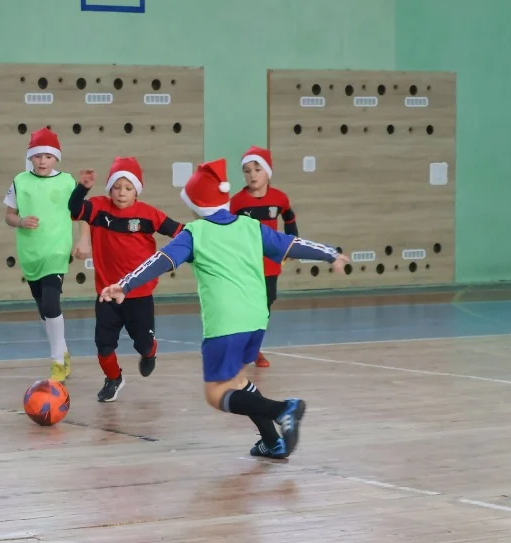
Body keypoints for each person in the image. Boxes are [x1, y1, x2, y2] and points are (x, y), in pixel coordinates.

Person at [100, 159, 349, 458]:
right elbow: (292, 244)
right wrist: (330, 254)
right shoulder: (250, 226)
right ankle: (272, 442)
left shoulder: (195, 233)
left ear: (195, 205)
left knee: (216, 393)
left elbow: (160, 261)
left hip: (225, 323)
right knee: (237, 381)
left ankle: (284, 409)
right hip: (256, 319)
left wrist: (124, 285)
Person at [69, 156, 183, 402]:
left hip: (139, 294)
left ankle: (149, 352)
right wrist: (82, 188)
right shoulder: (98, 208)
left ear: (137, 191)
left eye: (128, 188)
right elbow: (75, 209)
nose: (122, 192)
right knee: (104, 345)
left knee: (143, 343)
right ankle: (113, 379)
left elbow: (180, 232)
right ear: (109, 188)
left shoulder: (149, 214)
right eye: (117, 187)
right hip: (107, 293)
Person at [4, 127, 95, 382]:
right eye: (37, 156)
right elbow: (9, 216)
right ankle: (63, 351)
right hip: (30, 253)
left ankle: (56, 361)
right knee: (43, 308)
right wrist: (20, 221)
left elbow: (82, 214)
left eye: (48, 156)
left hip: (56, 251)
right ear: (30, 157)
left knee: (51, 304)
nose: (42, 161)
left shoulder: (67, 182)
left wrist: (83, 240)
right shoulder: (20, 181)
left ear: (56, 158)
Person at [230, 146, 298, 368]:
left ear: (268, 172)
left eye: (257, 169)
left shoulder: (280, 198)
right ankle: (239, 346)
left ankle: (254, 348)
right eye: (247, 171)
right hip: (245, 265)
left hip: (269, 265)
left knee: (264, 308)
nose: (252, 175)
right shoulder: (237, 202)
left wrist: (291, 244)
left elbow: (289, 218)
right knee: (245, 306)